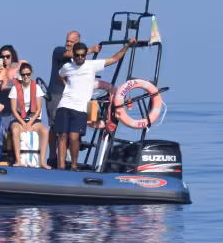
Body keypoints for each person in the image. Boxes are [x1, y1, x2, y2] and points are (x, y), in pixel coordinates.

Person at [53, 39, 135, 170]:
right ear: (73, 55)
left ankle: (74, 166)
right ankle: (61, 167)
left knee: (74, 138)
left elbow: (115, 58)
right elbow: (60, 76)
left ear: (86, 55)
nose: (80, 58)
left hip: (80, 107)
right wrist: (66, 86)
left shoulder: (92, 65)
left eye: (82, 55)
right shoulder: (67, 67)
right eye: (77, 55)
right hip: (65, 104)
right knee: (62, 136)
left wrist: (128, 46)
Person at [47, 31, 103, 129]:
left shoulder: (78, 61)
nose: (68, 43)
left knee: (70, 127)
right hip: (57, 94)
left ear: (77, 43)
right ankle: (54, 145)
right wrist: (91, 50)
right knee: (55, 126)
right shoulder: (59, 51)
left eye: (71, 42)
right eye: (67, 41)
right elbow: (70, 54)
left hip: (71, 97)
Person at [8, 62, 51, 168]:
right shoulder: (15, 89)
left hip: (33, 119)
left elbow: (38, 109)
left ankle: (42, 161)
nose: (26, 76)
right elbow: (13, 109)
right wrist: (23, 123)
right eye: (23, 75)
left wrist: (30, 123)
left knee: (44, 131)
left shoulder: (36, 88)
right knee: (15, 130)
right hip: (19, 119)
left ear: (32, 73)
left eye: (28, 74)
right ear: (20, 75)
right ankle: (18, 160)